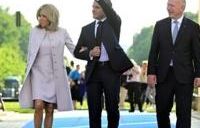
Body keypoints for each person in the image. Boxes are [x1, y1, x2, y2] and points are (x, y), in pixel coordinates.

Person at [74, 0, 133, 127]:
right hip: (93, 72)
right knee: (94, 110)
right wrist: (89, 53)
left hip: (111, 71)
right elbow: (76, 52)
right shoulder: (86, 29)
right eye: (92, 7)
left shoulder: (114, 23)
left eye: (97, 7)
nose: (93, 9)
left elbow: (111, 12)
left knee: (112, 108)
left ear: (105, 9)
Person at [19, 4, 74, 128]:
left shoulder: (62, 32)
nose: (40, 18)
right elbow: (30, 53)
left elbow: (74, 49)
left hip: (54, 75)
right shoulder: (34, 31)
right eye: (39, 16)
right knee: (38, 105)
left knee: (49, 108)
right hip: (38, 73)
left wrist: (88, 51)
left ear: (51, 17)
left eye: (43, 16)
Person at [147, 0, 200, 127]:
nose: (168, 8)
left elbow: (197, 54)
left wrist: (198, 74)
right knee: (162, 111)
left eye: (172, 5)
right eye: (167, 5)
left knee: (183, 113)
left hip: (185, 77)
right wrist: (151, 72)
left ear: (182, 7)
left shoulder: (193, 27)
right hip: (164, 75)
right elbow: (154, 51)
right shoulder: (160, 25)